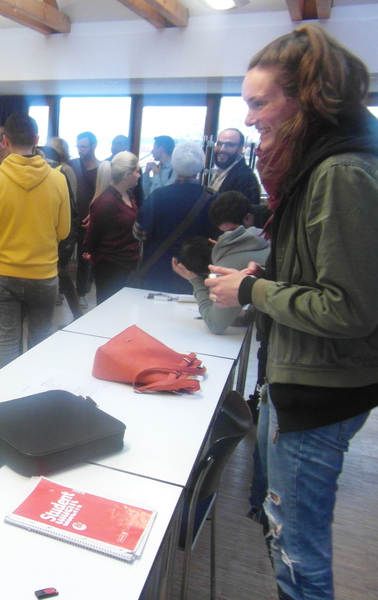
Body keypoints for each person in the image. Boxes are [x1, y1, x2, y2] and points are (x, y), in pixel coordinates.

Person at [205, 24, 378, 600]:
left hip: (319, 390)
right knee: (289, 542)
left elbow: (349, 308)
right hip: (308, 378)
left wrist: (254, 292)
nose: (249, 118)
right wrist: (269, 277)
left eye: (259, 104)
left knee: (298, 554)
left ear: (308, 98)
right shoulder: (324, 164)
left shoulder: (340, 172)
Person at [0, 112, 70, 369]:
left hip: (3, 275)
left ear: (6, 141)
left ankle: (8, 392)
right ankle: (34, 390)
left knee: (7, 341)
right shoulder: (58, 179)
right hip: (43, 274)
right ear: (36, 139)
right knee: (40, 340)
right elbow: (64, 231)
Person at [172, 191, 270, 335]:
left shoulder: (225, 267)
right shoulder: (270, 237)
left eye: (232, 232)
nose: (228, 237)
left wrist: (195, 280)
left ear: (248, 217)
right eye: (224, 234)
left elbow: (215, 325)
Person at [133, 141, 216, 293]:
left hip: (158, 271)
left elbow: (139, 233)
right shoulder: (213, 199)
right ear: (201, 166)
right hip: (198, 274)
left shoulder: (158, 196)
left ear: (175, 165)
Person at [82, 152, 140, 304]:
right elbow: (92, 236)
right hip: (109, 265)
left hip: (127, 262)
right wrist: (89, 252)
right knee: (109, 308)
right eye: (137, 171)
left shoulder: (129, 195)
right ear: (127, 174)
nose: (139, 175)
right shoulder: (105, 202)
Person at [45, 137, 82, 320]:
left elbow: (69, 207)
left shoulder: (63, 171)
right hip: (58, 233)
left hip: (61, 234)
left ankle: (78, 314)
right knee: (63, 276)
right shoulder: (60, 170)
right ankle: (77, 314)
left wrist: (65, 247)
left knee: (63, 274)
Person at [70, 131, 101, 308]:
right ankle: (60, 292)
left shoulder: (102, 169)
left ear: (93, 146)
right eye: (78, 146)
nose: (80, 150)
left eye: (83, 147)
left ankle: (81, 293)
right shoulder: (72, 165)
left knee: (84, 259)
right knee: (63, 258)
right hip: (70, 219)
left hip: (89, 221)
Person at [210, 128, 261, 204]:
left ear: (240, 149)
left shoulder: (245, 178)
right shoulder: (221, 171)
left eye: (229, 145)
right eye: (219, 144)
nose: (222, 149)